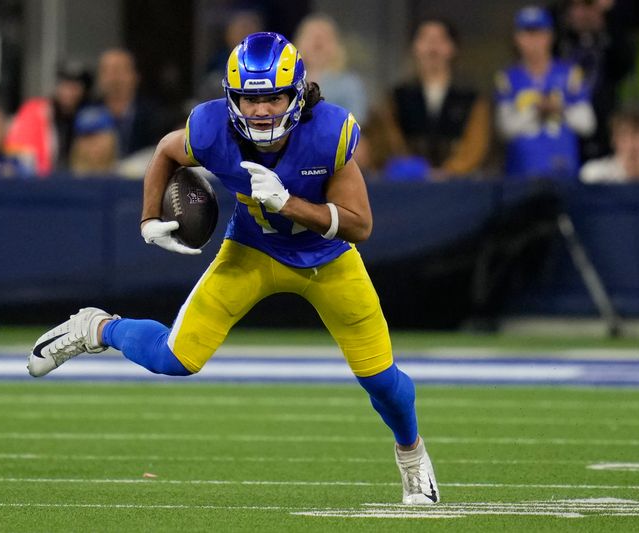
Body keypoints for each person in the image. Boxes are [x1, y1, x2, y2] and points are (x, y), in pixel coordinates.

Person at [28, 32, 439, 506]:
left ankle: (412, 458)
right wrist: (147, 219)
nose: (261, 110)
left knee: (382, 381)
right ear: (232, 98)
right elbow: (164, 151)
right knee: (175, 358)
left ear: (298, 93)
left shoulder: (329, 131)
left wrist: (291, 204)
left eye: (274, 97)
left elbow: (360, 226)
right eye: (249, 98)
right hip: (251, 250)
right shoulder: (211, 129)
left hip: (326, 261)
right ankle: (97, 328)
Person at [495, 5, 596, 181]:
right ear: (517, 38)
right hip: (521, 171)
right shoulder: (508, 78)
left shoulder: (570, 73)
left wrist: (559, 109)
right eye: (527, 33)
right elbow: (505, 129)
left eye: (539, 33)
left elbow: (587, 124)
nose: (533, 41)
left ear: (550, 36)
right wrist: (536, 110)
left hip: (564, 168)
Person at [386, 17, 491, 180]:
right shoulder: (398, 95)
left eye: (440, 39)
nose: (432, 47)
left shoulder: (470, 95)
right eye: (426, 39)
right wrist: (417, 170)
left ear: (452, 47)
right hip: (409, 184)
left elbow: (476, 143)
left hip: (460, 185)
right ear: (414, 47)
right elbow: (392, 139)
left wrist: (450, 171)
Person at [554, 0, 634, 161]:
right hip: (564, 131)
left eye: (590, 6)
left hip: (603, 128)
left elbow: (626, 64)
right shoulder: (558, 40)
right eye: (579, 6)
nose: (585, 14)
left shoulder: (609, 38)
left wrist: (609, 17)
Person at [5, 60, 92, 176]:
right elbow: (17, 150)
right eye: (65, 84)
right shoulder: (34, 112)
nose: (69, 91)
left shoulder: (92, 118)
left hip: (80, 180)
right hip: (41, 182)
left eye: (75, 86)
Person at [96, 48, 172, 159]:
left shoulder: (155, 115)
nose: (114, 78)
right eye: (107, 71)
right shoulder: (87, 113)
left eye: (119, 70)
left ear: (135, 76)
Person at [294, 13, 369, 124]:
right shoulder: (286, 82)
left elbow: (356, 123)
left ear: (336, 45)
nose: (318, 43)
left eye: (325, 38)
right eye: (311, 37)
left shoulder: (351, 85)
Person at [68, 106, 119, 176]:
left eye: (99, 136)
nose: (93, 143)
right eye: (86, 137)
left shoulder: (128, 176)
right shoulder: (66, 181)